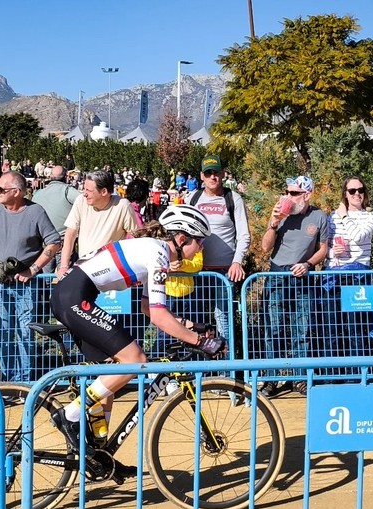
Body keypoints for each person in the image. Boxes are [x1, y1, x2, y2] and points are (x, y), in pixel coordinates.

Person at [49, 205, 225, 449]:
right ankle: (70, 414)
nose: (201, 248)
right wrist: (200, 341)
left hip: (71, 296)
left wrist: (191, 326)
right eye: (200, 242)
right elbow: (158, 317)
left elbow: (147, 308)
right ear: (182, 238)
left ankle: (100, 451)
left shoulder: (153, 250)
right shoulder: (158, 253)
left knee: (111, 374)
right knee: (134, 359)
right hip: (75, 297)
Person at [0, 171, 60, 383]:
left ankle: (26, 382)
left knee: (25, 332)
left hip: (26, 285)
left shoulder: (35, 212)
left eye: (1, 189)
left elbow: (54, 242)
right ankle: (10, 381)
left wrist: (34, 269)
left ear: (17, 192)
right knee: (3, 332)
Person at [258, 176, 329, 397]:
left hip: (302, 276)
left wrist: (308, 264)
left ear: (307, 195)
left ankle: (300, 378)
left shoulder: (319, 217)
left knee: (303, 328)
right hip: (278, 273)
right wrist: (273, 223)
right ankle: (271, 378)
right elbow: (264, 247)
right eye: (287, 192)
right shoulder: (281, 214)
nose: (289, 197)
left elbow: (323, 249)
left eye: (294, 193)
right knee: (274, 328)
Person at [320, 177, 373, 368]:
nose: (357, 194)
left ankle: (358, 372)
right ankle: (332, 373)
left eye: (360, 190)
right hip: (333, 277)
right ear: (345, 194)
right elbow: (324, 247)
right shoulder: (332, 217)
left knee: (356, 327)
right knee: (331, 327)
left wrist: (345, 216)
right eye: (352, 191)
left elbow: (358, 237)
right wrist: (332, 251)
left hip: (358, 278)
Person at [189, 154, 251, 345]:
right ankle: (195, 367)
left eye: (216, 172)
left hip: (224, 271)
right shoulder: (193, 198)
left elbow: (244, 235)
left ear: (223, 174)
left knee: (223, 319)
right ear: (202, 176)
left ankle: (227, 367)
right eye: (208, 173)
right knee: (194, 319)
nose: (213, 177)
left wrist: (237, 261)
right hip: (195, 271)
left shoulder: (233, 199)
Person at [56, 170, 140, 278]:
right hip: (84, 269)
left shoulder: (123, 206)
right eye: (84, 189)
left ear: (104, 192)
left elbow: (135, 237)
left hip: (111, 271)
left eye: (88, 190)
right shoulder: (81, 201)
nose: (84, 193)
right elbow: (70, 234)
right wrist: (63, 266)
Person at [30, 165, 78, 272]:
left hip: (44, 242)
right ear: (66, 176)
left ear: (50, 176)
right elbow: (83, 201)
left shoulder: (38, 194)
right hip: (63, 241)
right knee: (66, 275)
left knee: (45, 280)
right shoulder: (68, 191)